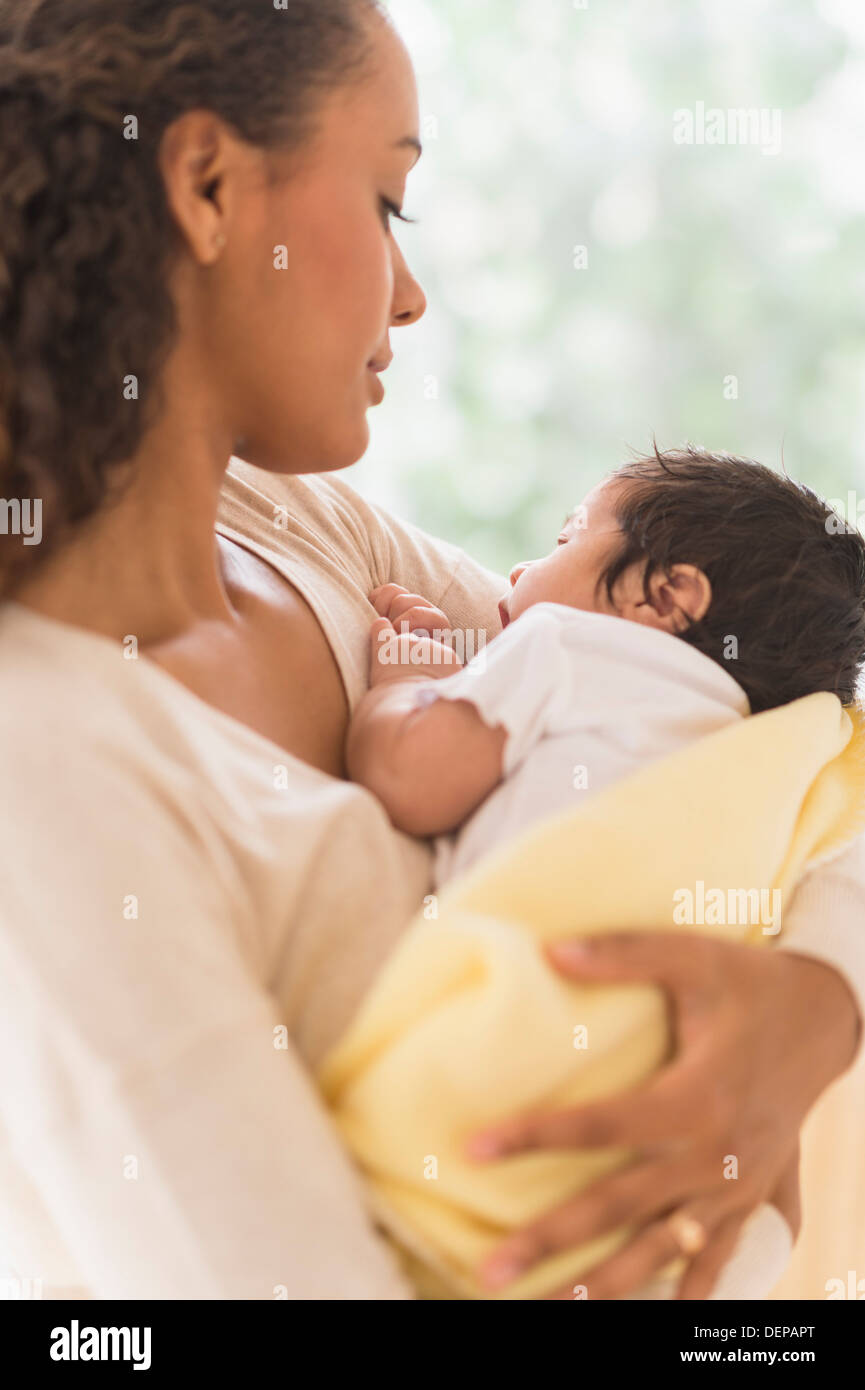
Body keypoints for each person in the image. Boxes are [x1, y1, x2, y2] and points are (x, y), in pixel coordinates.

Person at [0, 0, 862, 1300]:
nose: (409, 290)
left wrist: (817, 996)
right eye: (390, 201)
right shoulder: (43, 763)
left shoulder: (308, 540)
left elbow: (768, 718)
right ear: (209, 185)